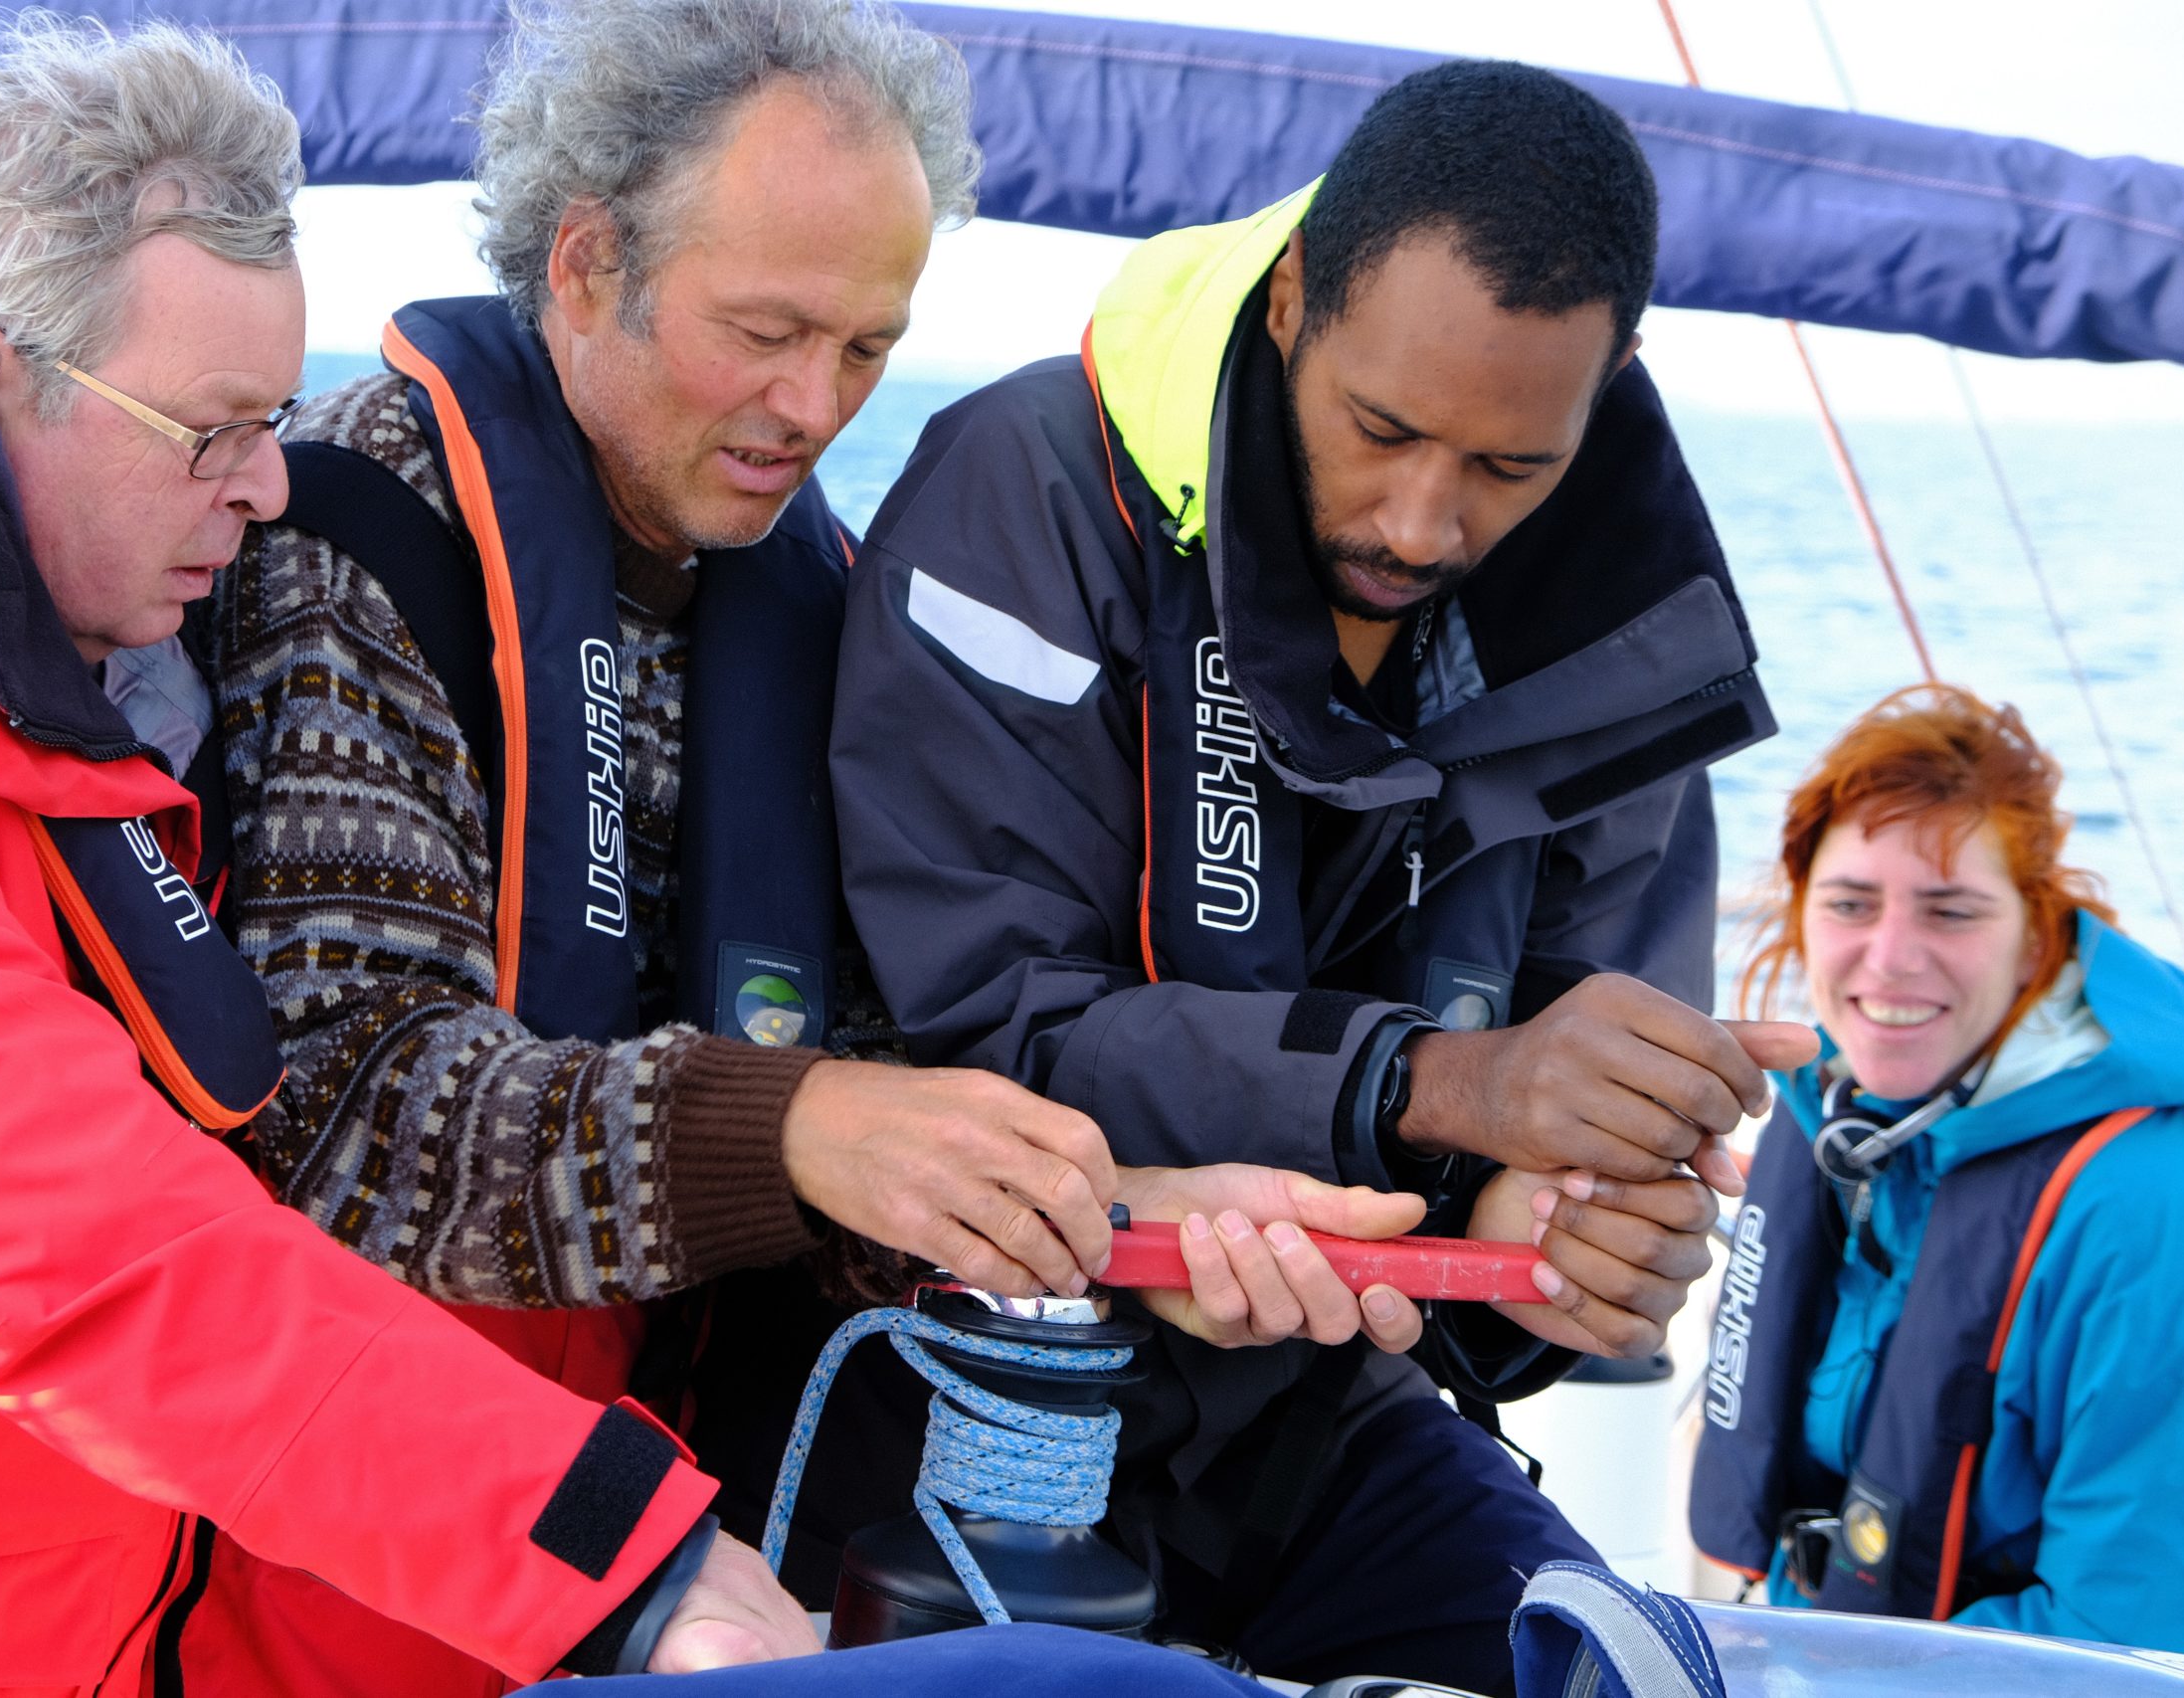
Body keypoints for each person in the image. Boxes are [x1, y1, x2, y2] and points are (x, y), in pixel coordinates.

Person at [210, 1, 1439, 1689]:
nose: (815, 406)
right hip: (356, 1549)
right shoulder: (350, 536)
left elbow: (869, 1115)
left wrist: (1124, 1220)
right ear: (581, 266)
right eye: (768, 330)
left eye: (867, 346)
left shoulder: (807, 590)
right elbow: (350, 1120)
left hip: (680, 1538)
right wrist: (806, 1123)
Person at [0, 17, 831, 1692]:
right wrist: (608, 1544)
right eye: (213, 428)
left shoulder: (65, 669)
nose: (266, 489)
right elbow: (50, 1224)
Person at [811, 56, 1818, 1693]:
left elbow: (1552, 1157)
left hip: (1324, 1410)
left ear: (1607, 386)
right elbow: (989, 1036)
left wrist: (1553, 1240)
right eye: (1384, 430)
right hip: (964, 1394)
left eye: (1510, 469)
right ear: (1290, 302)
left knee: (1631, 1671)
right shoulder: (1023, 492)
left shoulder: (1629, 635)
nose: (1424, 521)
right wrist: (1446, 1083)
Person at [1692, 684, 2184, 1659]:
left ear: (2034, 942)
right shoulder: (1844, 1133)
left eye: (1951, 911)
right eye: (1849, 904)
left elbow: (2123, 1651)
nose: (1889, 958)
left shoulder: (2162, 1216)